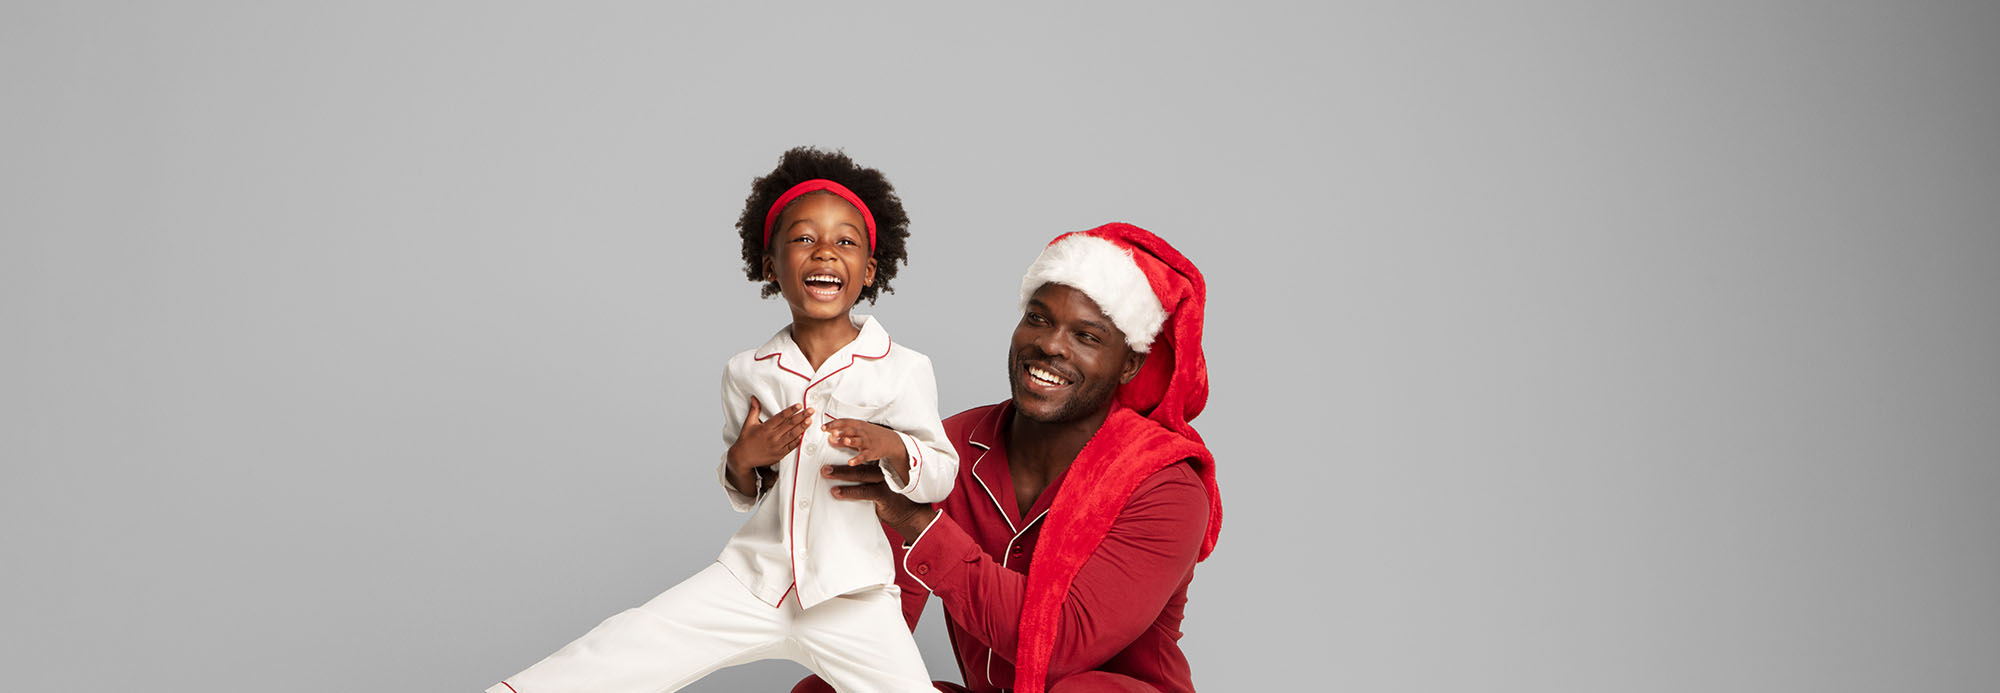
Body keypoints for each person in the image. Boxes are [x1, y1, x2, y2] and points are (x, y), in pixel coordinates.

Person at [489, 147, 957, 693]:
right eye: (804, 239)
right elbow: (747, 487)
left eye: (845, 242)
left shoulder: (903, 369)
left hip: (851, 593)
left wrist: (892, 446)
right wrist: (744, 459)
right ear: (769, 265)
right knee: (634, 640)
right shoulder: (746, 371)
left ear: (870, 270)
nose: (825, 252)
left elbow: (940, 473)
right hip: (751, 580)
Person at [797, 224, 1221, 692]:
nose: (1052, 345)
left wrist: (915, 522)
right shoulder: (949, 447)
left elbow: (1060, 646)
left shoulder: (1164, 485)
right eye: (1038, 319)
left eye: (1087, 336)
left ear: (1129, 364)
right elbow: (878, 619)